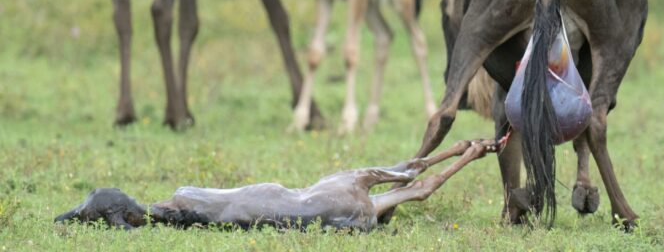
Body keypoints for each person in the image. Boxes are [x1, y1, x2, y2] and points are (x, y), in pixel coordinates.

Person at [55, 139, 501, 231]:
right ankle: (106, 211)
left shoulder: (349, 199)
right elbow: (414, 179)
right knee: (398, 176)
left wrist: (463, 150)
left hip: (304, 205)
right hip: (308, 205)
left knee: (180, 203)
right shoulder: (351, 198)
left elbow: (410, 176)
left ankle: (106, 212)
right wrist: (467, 151)